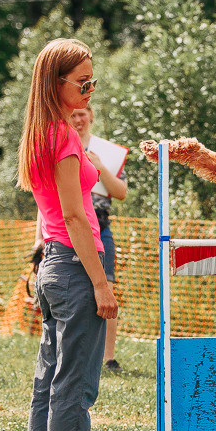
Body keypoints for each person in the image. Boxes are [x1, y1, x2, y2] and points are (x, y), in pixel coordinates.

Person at [16, 38, 118, 431]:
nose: (90, 90)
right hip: (75, 268)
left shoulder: (40, 134)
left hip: (53, 266)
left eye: (92, 81)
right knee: (74, 387)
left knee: (49, 384)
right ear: (56, 84)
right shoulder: (62, 136)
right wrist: (101, 282)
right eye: (83, 83)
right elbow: (75, 217)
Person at [68, 104, 128, 371]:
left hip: (101, 227)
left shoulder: (108, 152)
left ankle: (108, 358)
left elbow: (121, 192)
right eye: (73, 115)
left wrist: (100, 167)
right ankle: (75, 356)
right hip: (69, 227)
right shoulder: (62, 147)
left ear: (91, 115)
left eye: (82, 114)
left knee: (107, 289)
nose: (78, 119)